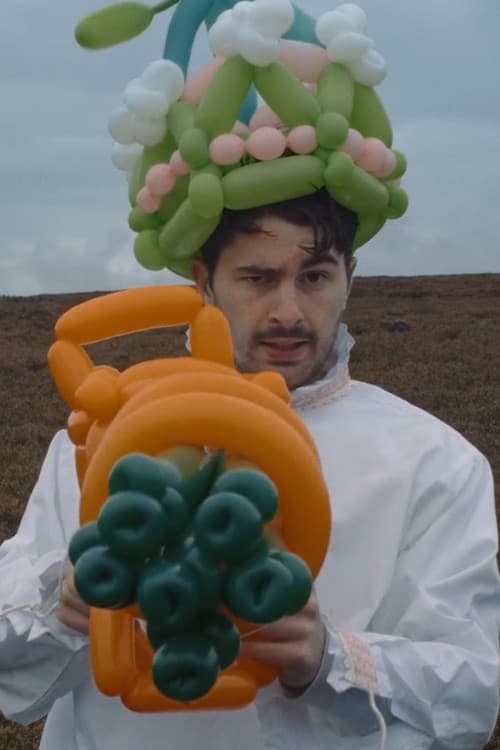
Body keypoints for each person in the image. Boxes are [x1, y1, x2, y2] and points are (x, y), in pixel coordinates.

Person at [0, 188, 498, 750]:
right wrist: (59, 605)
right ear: (204, 282)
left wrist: (331, 659)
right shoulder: (100, 442)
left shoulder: (435, 462)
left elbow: (470, 696)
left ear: (350, 277)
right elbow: (10, 670)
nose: (288, 312)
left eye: (314, 277)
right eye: (257, 278)